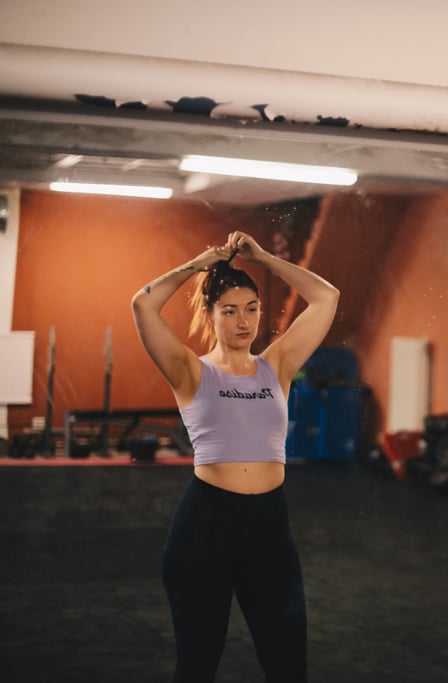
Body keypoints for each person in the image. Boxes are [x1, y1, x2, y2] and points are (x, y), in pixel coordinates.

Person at [131, 231, 339, 683]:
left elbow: (326, 297)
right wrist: (197, 263)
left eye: (251, 309)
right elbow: (142, 305)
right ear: (211, 314)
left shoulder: (277, 365)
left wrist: (264, 259)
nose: (243, 321)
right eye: (230, 311)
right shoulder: (190, 371)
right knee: (198, 666)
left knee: (288, 667)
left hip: (269, 527)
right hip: (206, 527)